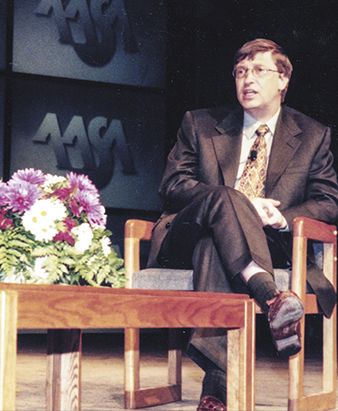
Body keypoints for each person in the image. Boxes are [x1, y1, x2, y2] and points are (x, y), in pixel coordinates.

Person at [147, 38, 338, 411]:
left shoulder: (312, 135)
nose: (247, 79)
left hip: (262, 245)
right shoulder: (199, 124)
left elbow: (329, 203)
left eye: (259, 71)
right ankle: (272, 299)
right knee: (225, 198)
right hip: (186, 235)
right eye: (240, 72)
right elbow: (172, 186)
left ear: (283, 80)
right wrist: (243, 203)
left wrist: (283, 217)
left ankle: (215, 387)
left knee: (214, 249)